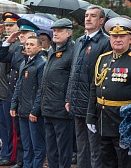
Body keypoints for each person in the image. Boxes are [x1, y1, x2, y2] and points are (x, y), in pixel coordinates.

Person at [65, 5, 111, 168]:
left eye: (93, 16)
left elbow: (102, 76)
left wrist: (95, 104)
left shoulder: (106, 42)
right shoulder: (79, 42)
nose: (88, 19)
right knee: (81, 146)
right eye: (86, 16)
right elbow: (73, 71)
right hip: (77, 102)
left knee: (95, 148)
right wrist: (69, 97)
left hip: (94, 106)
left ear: (101, 21)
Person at [86, 16, 131, 168]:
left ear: (130, 39)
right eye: (114, 36)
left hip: (124, 121)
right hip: (103, 119)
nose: (118, 39)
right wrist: (90, 116)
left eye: (122, 36)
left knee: (125, 161)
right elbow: (94, 88)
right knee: (106, 160)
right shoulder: (103, 59)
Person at [0, 18, 40, 168]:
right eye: (20, 33)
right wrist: (8, 41)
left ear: (33, 35)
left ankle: (26, 162)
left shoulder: (35, 54)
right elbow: (2, 57)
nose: (21, 35)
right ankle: (21, 161)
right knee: (20, 132)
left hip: (28, 98)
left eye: (25, 33)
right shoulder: (17, 49)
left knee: (29, 136)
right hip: (15, 94)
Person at [0, 12, 20, 166]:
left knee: (10, 128)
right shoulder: (4, 43)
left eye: (11, 25)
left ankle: (10, 156)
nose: (7, 28)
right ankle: (5, 153)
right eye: (6, 25)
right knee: (3, 126)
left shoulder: (18, 44)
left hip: (9, 91)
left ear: (18, 27)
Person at [41, 18, 74, 168]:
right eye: (54, 31)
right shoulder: (53, 50)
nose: (55, 33)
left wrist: (67, 101)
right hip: (47, 107)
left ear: (69, 33)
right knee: (51, 149)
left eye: (60, 31)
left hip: (61, 109)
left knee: (63, 149)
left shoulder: (73, 51)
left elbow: (72, 80)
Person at [10, 36, 46, 168]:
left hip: (33, 113)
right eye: (27, 44)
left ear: (39, 47)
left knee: (37, 146)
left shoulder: (41, 64)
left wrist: (35, 111)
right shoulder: (24, 63)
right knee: (26, 144)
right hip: (22, 110)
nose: (28, 47)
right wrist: (14, 104)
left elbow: (41, 90)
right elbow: (18, 86)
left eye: (32, 44)